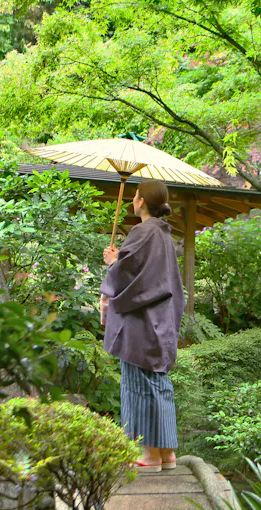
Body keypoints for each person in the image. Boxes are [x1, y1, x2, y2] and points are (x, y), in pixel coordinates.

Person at [101, 179, 184, 472]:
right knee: (159, 384)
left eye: (135, 196)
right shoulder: (164, 235)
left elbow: (127, 276)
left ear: (141, 202)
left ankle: (149, 455)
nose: (133, 201)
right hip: (161, 321)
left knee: (139, 385)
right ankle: (166, 454)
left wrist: (113, 261)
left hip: (141, 323)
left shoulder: (142, 231)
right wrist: (118, 262)